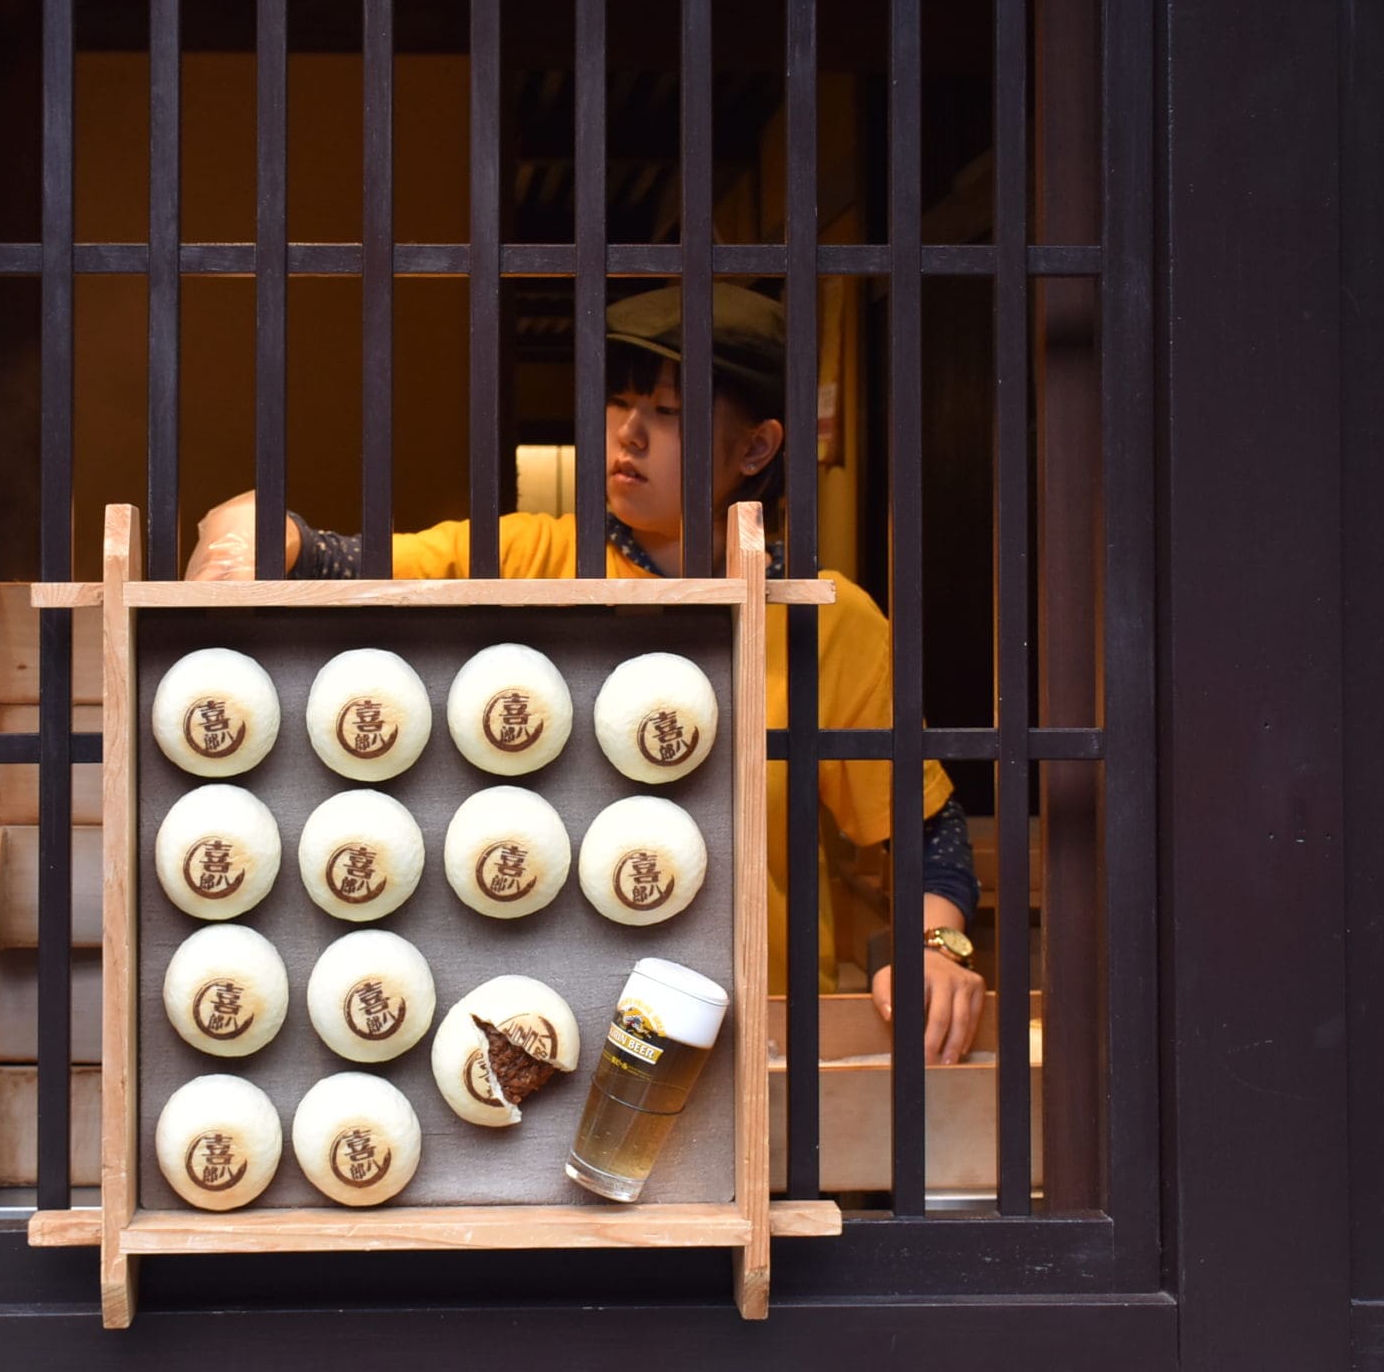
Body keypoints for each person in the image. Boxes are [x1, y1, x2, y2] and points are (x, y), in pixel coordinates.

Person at [187, 284, 988, 1064]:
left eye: (669, 413)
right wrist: (253, 530)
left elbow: (925, 828)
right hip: (539, 1027)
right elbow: (333, 561)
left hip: (754, 1039)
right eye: (621, 404)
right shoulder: (534, 557)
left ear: (758, 447)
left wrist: (935, 944)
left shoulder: (824, 619)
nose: (629, 433)